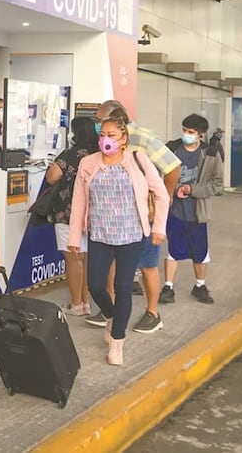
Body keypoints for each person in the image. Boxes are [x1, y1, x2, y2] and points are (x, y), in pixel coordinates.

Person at [68, 107, 169, 366]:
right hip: (100, 234)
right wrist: (73, 237)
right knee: (96, 285)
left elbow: (161, 194)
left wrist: (159, 227)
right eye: (102, 134)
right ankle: (113, 316)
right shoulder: (88, 163)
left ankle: (117, 341)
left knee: (123, 286)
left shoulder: (138, 159)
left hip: (131, 235)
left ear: (124, 137)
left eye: (112, 134)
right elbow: (79, 200)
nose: (106, 139)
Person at [89, 99, 180, 335]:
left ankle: (153, 313)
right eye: (100, 125)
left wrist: (163, 198)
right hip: (114, 218)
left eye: (101, 122)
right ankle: (110, 309)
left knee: (148, 264)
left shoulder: (144, 139)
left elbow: (172, 167)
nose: (100, 129)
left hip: (143, 214)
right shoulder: (106, 143)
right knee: (110, 266)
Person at [159, 114, 224, 305]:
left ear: (200, 135)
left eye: (191, 132)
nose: (186, 134)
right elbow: (159, 174)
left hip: (198, 212)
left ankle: (200, 285)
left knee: (200, 251)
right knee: (172, 250)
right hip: (175, 211)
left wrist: (192, 190)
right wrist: (176, 189)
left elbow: (217, 184)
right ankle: (168, 287)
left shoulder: (210, 154)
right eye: (184, 130)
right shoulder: (172, 149)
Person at [44, 116, 100, 316]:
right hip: (93, 212)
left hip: (68, 211)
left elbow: (52, 177)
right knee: (85, 257)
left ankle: (76, 304)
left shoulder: (71, 154)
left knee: (73, 257)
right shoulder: (99, 154)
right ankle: (86, 303)